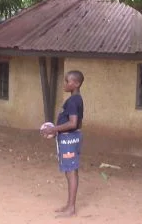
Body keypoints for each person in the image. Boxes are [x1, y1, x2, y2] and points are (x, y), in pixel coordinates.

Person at [41, 70, 84, 217]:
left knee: (71, 171)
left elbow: (73, 123)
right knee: (69, 171)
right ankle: (69, 205)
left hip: (69, 139)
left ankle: (71, 208)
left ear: (76, 83)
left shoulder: (73, 101)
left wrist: (53, 129)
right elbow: (75, 123)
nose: (64, 84)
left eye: (67, 81)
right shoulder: (75, 99)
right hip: (68, 138)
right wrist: (57, 132)